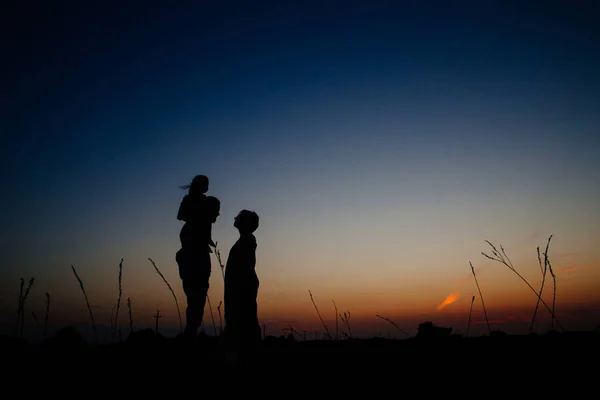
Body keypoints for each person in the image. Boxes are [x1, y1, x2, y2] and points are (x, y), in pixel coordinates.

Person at [175, 175, 220, 339]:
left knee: (197, 294)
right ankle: (191, 330)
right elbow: (182, 215)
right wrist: (201, 210)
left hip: (196, 251)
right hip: (193, 253)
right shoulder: (196, 202)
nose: (217, 215)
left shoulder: (203, 202)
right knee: (196, 294)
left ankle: (191, 329)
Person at [223, 210, 261, 363]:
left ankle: (245, 357)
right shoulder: (245, 240)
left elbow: (245, 268)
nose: (235, 218)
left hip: (241, 290)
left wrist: (240, 289)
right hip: (240, 288)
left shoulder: (247, 240)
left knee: (243, 323)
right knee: (242, 323)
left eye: (239, 217)